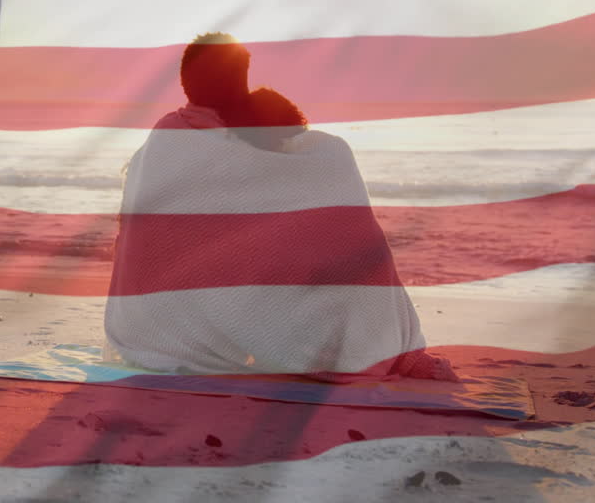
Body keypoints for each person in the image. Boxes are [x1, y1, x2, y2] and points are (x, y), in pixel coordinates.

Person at [105, 33, 457, 381]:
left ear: (185, 84)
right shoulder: (239, 139)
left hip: (164, 308)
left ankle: (347, 340)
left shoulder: (170, 135)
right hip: (198, 295)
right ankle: (375, 346)